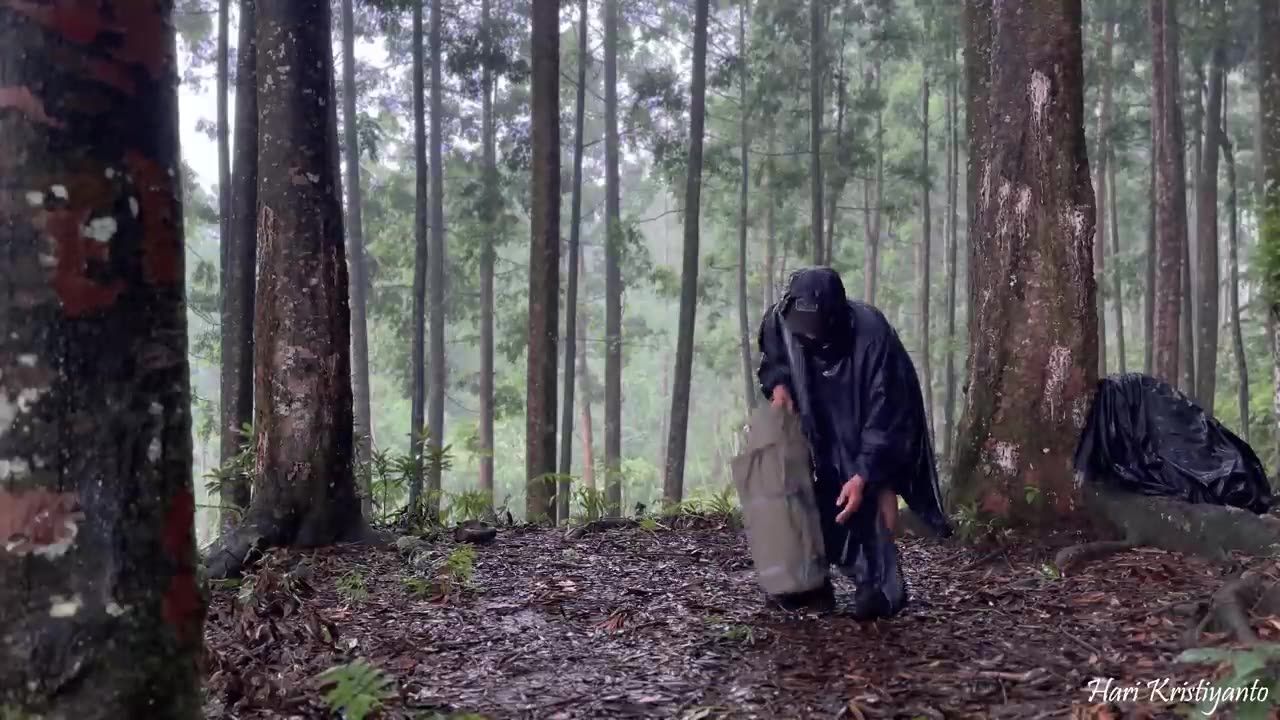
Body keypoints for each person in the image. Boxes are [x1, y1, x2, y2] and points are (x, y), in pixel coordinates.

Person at [757, 267, 951, 619]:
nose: (805, 337)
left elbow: (887, 417)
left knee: (871, 503)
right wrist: (780, 384)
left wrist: (864, 476)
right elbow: (775, 355)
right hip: (818, 419)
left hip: (867, 424)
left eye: (812, 329)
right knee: (791, 487)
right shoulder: (782, 320)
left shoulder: (873, 337)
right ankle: (809, 584)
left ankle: (875, 582)